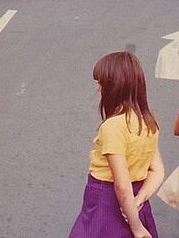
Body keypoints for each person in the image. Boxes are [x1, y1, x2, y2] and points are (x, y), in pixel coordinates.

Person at [69, 51, 164, 238]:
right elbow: (157, 170)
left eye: (101, 83)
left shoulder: (113, 127)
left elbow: (121, 185)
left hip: (105, 203)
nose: (98, 88)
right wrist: (139, 200)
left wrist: (136, 228)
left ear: (114, 87)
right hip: (135, 200)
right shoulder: (148, 121)